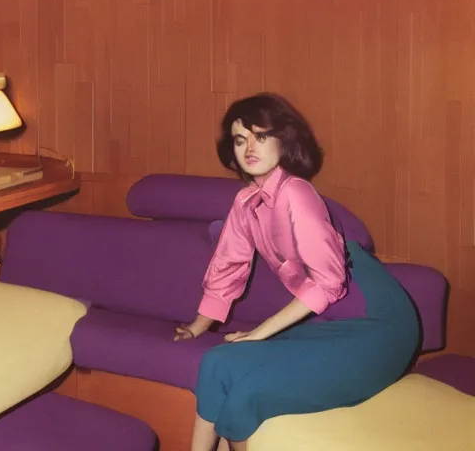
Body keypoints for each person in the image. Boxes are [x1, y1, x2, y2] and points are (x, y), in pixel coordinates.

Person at [173, 93, 420, 451]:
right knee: (216, 364)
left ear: (283, 140)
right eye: (241, 139)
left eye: (261, 136)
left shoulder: (297, 193)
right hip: (327, 326)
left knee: (246, 393)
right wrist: (198, 327)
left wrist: (258, 334)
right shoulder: (246, 202)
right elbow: (228, 266)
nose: (249, 148)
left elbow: (328, 282)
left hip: (377, 329)